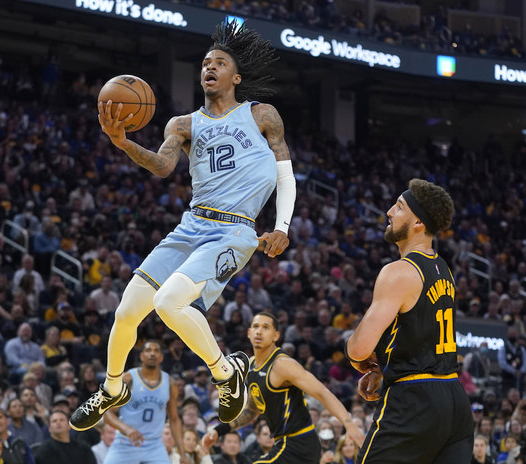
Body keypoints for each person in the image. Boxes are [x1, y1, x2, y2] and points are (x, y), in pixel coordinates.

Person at [70, 19, 296, 430]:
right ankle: (113, 387)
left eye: (220, 63)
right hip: (191, 225)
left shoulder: (261, 114)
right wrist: (122, 142)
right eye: (206, 62)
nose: (210, 67)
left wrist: (282, 225)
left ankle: (226, 372)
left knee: (168, 303)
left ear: (236, 77)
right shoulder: (183, 124)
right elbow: (162, 166)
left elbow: (285, 174)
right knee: (127, 311)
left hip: (234, 230)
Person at [345, 179, 474, 463]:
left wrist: (358, 358)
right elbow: (419, 338)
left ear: (418, 223)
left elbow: (359, 349)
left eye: (399, 207)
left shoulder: (399, 272)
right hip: (454, 402)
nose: (389, 212)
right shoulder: (443, 269)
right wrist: (384, 368)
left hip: (414, 403)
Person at [202, 313, 364, 463]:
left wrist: (349, 425)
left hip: (300, 443)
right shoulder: (250, 367)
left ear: (276, 335)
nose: (259, 331)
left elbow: (322, 392)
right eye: (256, 327)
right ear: (249, 333)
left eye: (266, 327)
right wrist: (219, 430)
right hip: (283, 444)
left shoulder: (283, 365)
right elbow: (252, 410)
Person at [102, 340, 186, 464]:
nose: (152, 354)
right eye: (148, 350)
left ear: (161, 357)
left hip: (154, 446)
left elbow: (174, 419)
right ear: (141, 356)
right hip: (125, 443)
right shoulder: (128, 378)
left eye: (156, 351)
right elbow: (108, 413)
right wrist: (127, 429)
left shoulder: (170, 383)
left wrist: (182, 453)